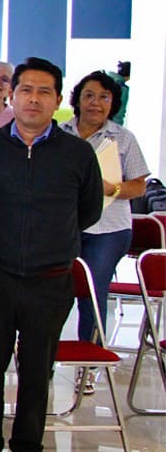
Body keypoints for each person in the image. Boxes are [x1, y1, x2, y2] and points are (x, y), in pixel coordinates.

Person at [0, 57, 102, 452]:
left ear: (59, 101)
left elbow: (89, 210)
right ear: (12, 94)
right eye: (26, 89)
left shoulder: (78, 153)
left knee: (37, 367)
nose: (34, 99)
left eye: (45, 92)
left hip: (51, 278)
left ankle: (28, 450)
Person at [60, 71, 149, 348]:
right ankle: (43, 357)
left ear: (113, 103)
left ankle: (90, 360)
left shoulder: (123, 138)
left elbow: (139, 186)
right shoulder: (59, 134)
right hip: (63, 226)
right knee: (54, 291)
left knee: (92, 291)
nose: (95, 103)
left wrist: (114, 189)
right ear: (77, 100)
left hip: (108, 229)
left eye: (103, 97)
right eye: (89, 96)